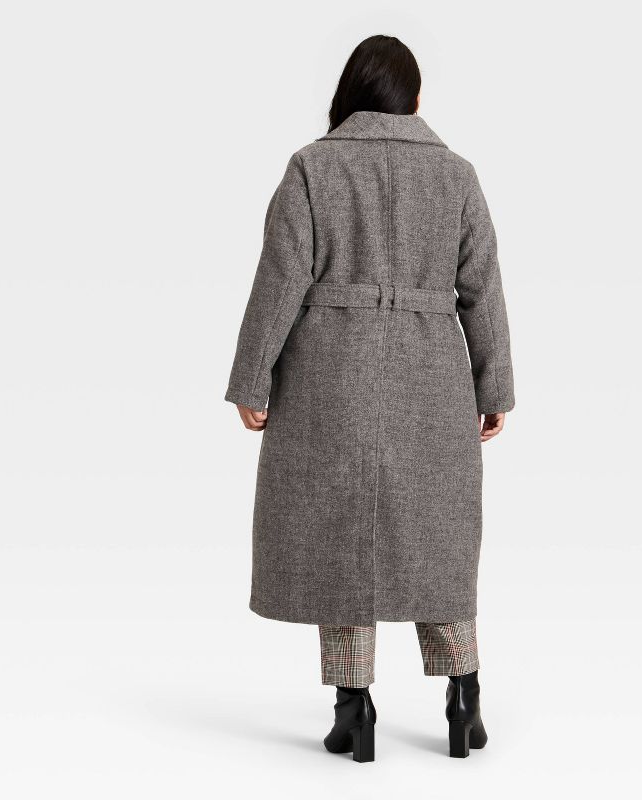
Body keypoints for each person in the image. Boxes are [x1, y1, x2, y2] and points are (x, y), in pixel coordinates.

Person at [225, 34, 514, 762]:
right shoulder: (457, 176)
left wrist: (252, 379)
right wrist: (495, 386)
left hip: (332, 378)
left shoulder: (313, 168)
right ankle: (464, 698)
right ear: (414, 100)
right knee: (437, 539)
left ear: (351, 94)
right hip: (432, 379)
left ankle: (353, 709)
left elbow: (279, 279)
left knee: (341, 539)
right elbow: (482, 288)